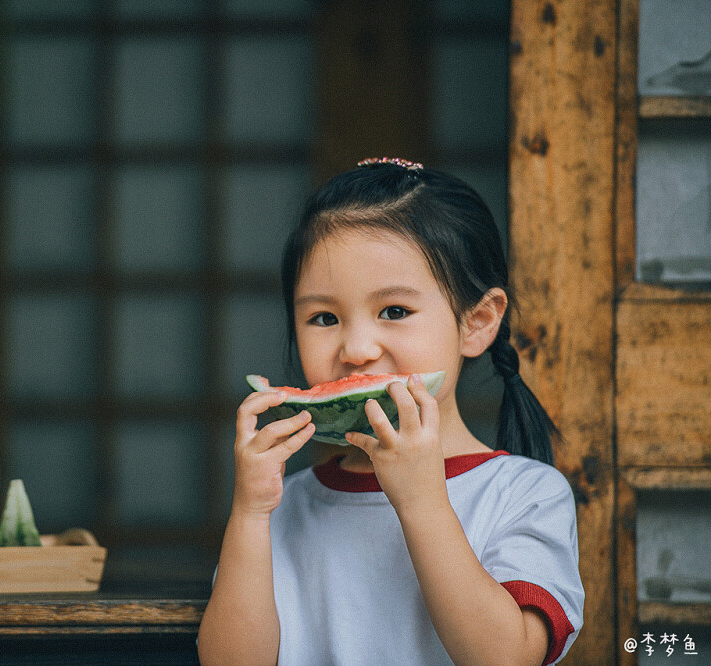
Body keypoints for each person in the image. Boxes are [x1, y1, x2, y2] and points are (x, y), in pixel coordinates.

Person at [197, 158, 584, 665]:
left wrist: (422, 501)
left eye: (394, 311)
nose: (356, 348)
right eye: (324, 317)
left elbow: (507, 657)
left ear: (478, 322)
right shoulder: (282, 507)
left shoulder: (525, 494)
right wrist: (249, 513)